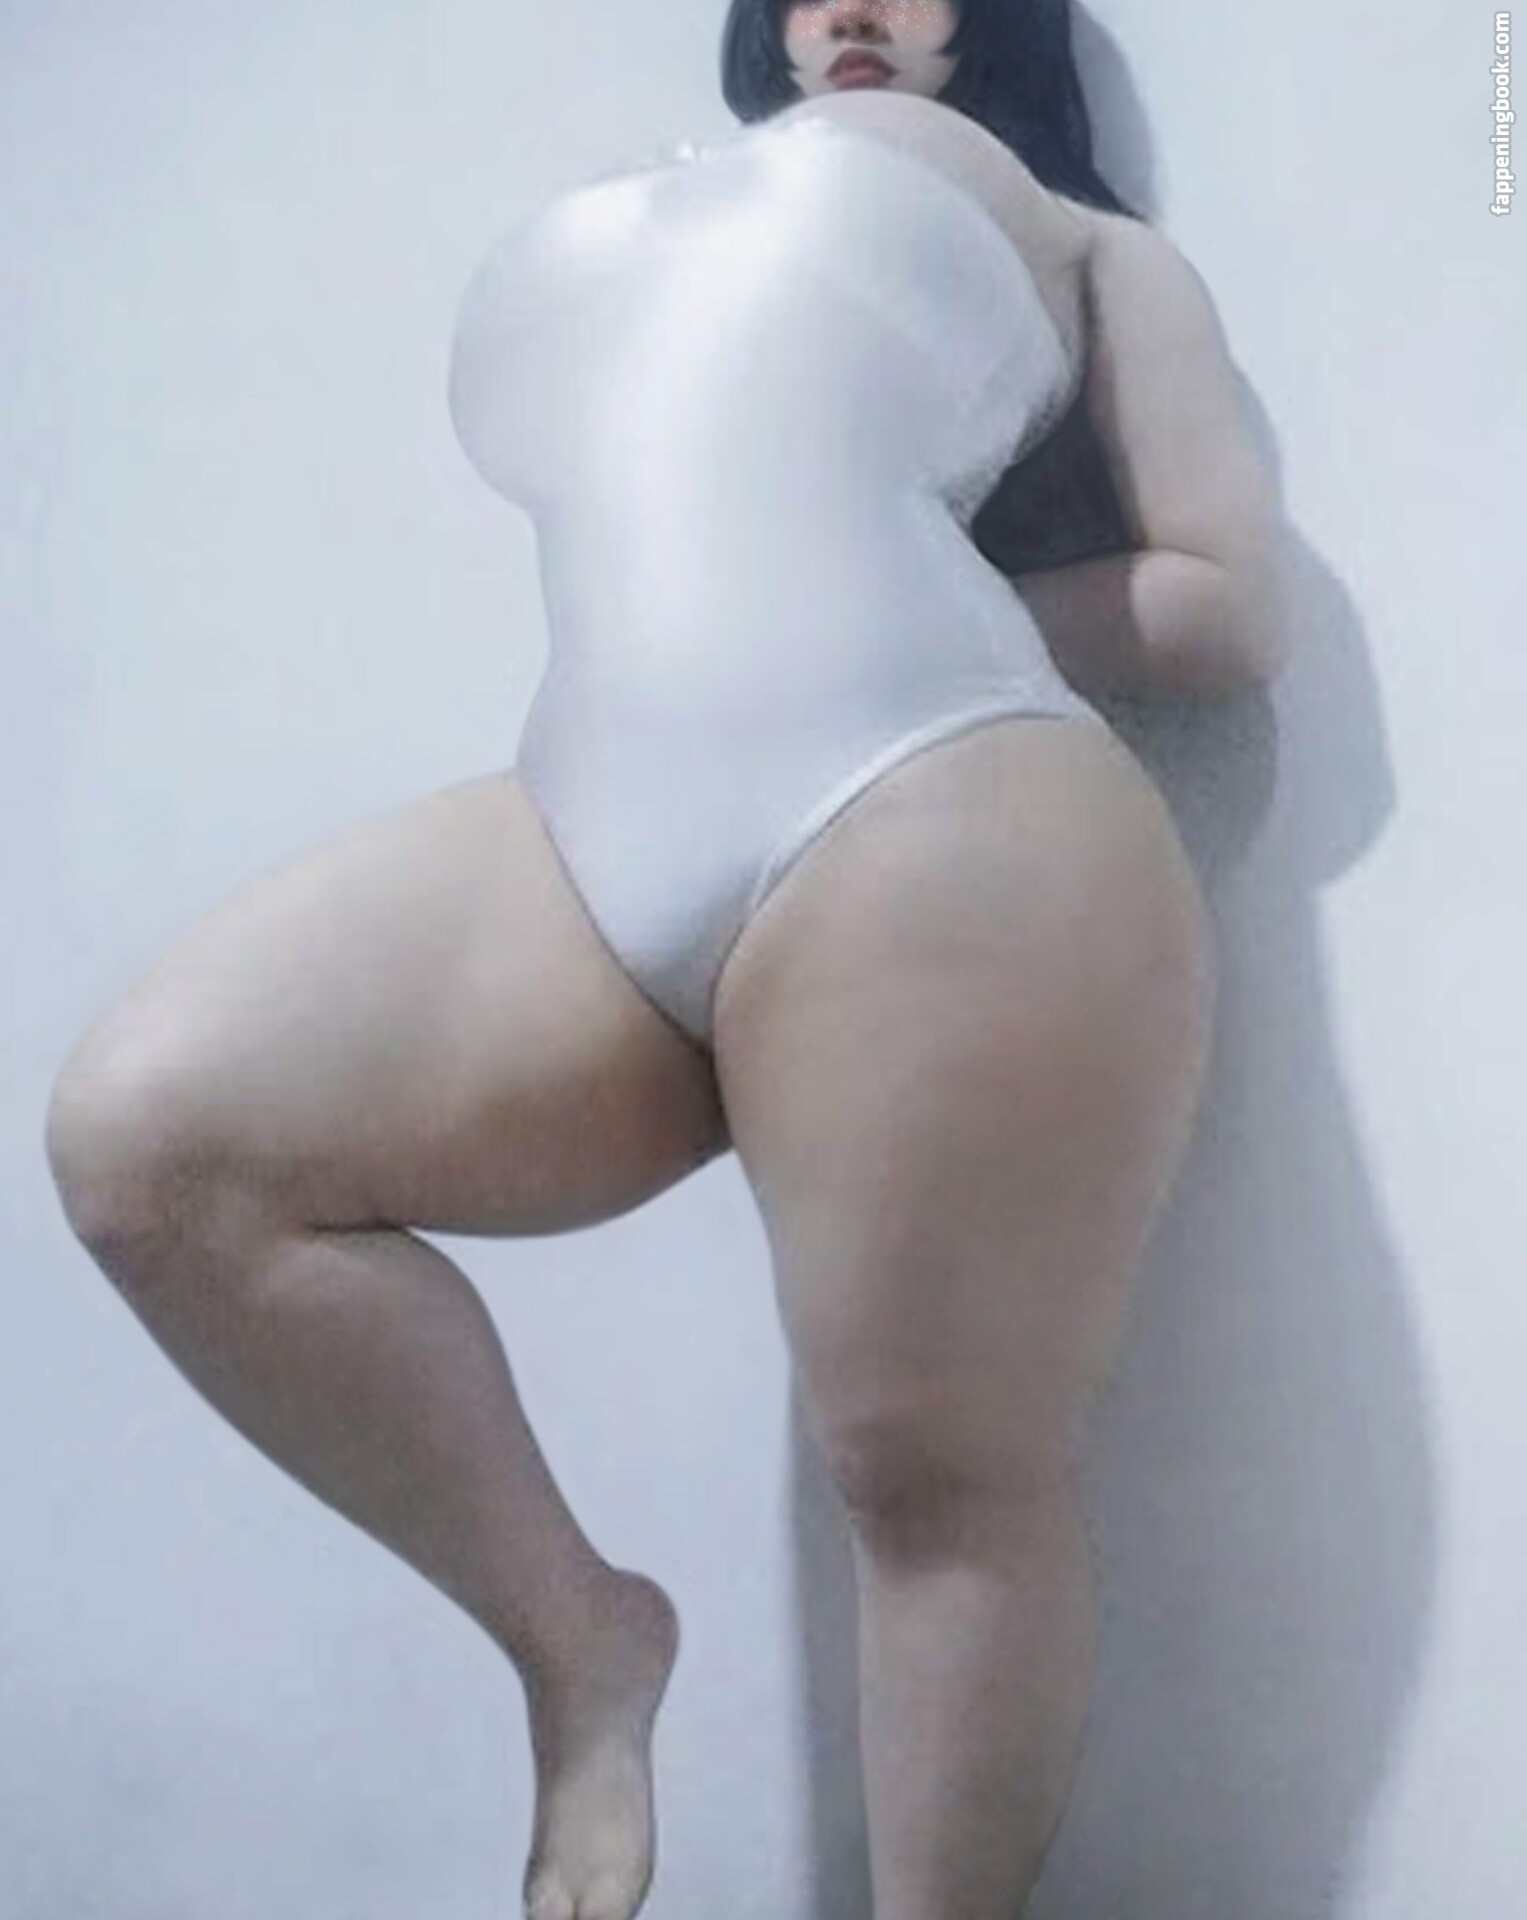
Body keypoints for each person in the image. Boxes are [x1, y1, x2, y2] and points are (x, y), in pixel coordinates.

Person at [42, 1, 1289, 1917]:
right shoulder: (666, 200)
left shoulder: (1090, 244)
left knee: (933, 1475)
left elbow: (1227, 605)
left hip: (938, 782)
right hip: (590, 820)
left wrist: (921, 588)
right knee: (151, 1147)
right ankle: (580, 1641)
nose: (852, 8)